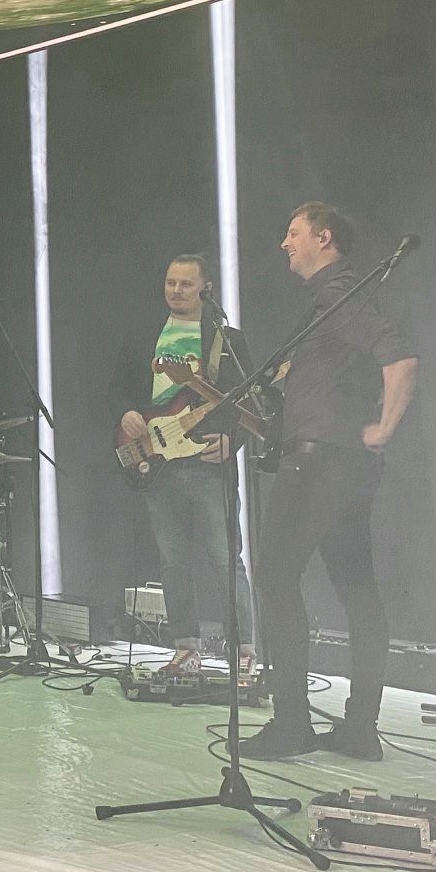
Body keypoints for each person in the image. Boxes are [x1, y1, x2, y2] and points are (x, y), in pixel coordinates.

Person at [245, 202, 418, 762]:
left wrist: (385, 426)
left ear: (323, 238)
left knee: (275, 578)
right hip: (343, 465)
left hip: (318, 464)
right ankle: (360, 730)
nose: (284, 243)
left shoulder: (340, 293)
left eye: (293, 233)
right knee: (356, 588)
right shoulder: (333, 303)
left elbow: (401, 361)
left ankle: (292, 725)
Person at [108, 254, 256, 675]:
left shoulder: (227, 341)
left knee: (226, 559)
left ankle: (244, 650)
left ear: (205, 288)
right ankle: (185, 647)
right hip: (159, 463)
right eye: (170, 282)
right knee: (173, 562)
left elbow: (249, 402)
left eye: (186, 284)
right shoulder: (144, 336)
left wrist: (232, 441)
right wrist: (125, 414)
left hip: (209, 464)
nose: (176, 290)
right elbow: (117, 389)